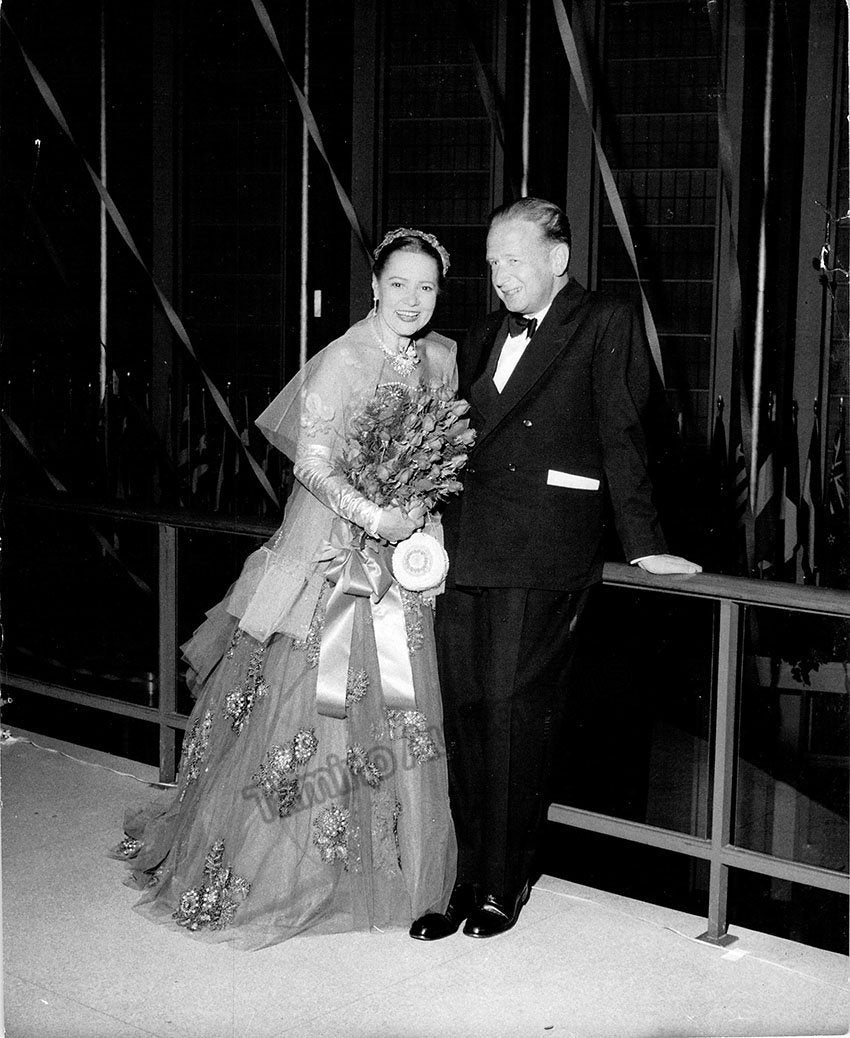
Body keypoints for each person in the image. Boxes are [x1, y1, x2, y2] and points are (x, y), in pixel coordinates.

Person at [111, 228, 458, 949]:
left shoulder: (442, 358)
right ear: (374, 286)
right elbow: (313, 464)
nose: (412, 299)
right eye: (398, 284)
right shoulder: (343, 358)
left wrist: (420, 529)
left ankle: (375, 866)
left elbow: (438, 461)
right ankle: (289, 872)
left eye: (426, 287)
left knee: (395, 715)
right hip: (333, 559)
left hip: (399, 570)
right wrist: (375, 516)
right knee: (311, 714)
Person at [409, 197, 701, 942]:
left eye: (513, 260)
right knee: (464, 715)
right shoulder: (483, 333)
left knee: (513, 716)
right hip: (466, 551)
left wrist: (643, 542)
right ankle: (463, 878)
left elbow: (623, 434)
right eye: (492, 263)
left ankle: (503, 882)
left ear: (558, 259)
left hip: (542, 551)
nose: (499, 276)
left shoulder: (604, 320)